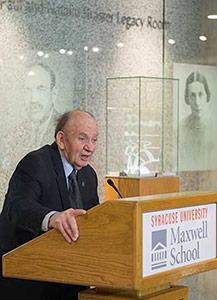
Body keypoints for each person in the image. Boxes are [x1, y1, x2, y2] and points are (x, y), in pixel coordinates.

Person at [0, 109, 99, 300]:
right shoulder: (36, 163)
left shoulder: (89, 175)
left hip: (69, 276)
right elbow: (17, 206)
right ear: (61, 140)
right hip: (27, 278)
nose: (90, 147)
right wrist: (52, 217)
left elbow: (92, 219)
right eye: (82, 138)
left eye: (94, 139)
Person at [179, 71, 216, 171]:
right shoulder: (180, 129)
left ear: (207, 95)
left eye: (200, 95)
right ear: (187, 99)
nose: (197, 103)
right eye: (192, 96)